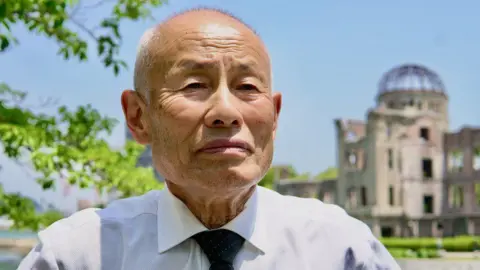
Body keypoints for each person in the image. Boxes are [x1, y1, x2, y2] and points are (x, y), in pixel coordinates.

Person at [17, 8, 400, 270]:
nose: (226, 111)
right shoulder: (77, 255)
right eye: (195, 85)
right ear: (138, 116)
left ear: (275, 114)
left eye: (247, 86)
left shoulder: (341, 250)